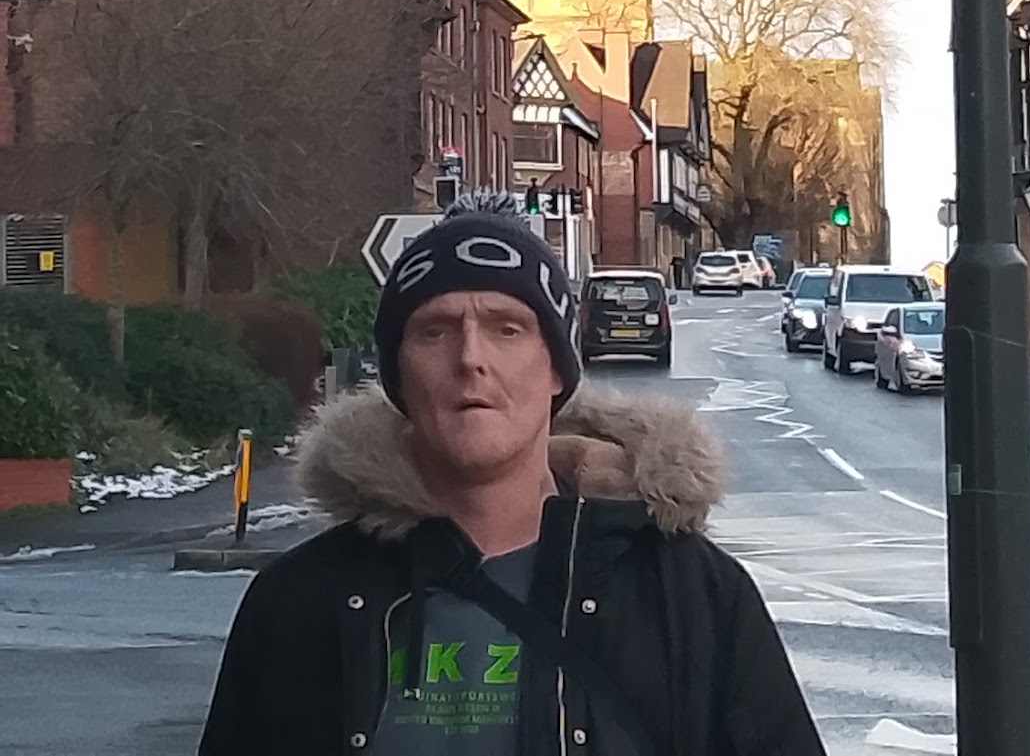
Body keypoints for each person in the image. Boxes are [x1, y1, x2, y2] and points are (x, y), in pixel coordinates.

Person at [199, 189, 825, 755]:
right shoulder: (297, 606)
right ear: (398, 379)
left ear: (556, 370)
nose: (470, 358)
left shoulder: (693, 598)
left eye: (507, 329)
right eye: (435, 331)